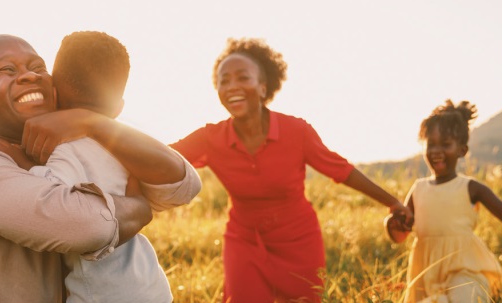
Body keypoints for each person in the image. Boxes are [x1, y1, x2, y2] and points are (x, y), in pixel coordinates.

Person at [0, 34, 186, 302]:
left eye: (38, 67)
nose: (30, 76)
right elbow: (90, 228)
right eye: (7, 70)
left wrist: (92, 123)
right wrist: (140, 208)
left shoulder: (69, 152)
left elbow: (182, 184)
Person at [168, 38, 412, 302]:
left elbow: (341, 170)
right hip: (244, 242)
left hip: (299, 243)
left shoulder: (296, 132)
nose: (232, 86)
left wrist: (392, 202)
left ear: (263, 87)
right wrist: (116, 138)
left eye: (242, 77)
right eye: (223, 81)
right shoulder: (211, 138)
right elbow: (162, 156)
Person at [0, 31, 200, 303]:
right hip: (152, 287)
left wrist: (22, 163)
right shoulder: (127, 150)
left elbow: (53, 200)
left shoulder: (65, 150)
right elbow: (183, 188)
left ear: (54, 92)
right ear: (118, 108)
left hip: (101, 294)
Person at [387, 100, 502, 302]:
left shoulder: (471, 188)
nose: (436, 150)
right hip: (426, 274)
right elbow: (400, 233)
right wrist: (391, 224)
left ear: (462, 150)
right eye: (431, 144)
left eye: (445, 144)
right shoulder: (418, 188)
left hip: (465, 270)